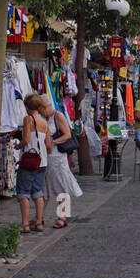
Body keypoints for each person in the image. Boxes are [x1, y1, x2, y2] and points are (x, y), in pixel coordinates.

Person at [41, 96, 82, 227]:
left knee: (61, 186)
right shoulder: (45, 118)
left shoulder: (58, 116)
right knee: (44, 186)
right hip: (47, 157)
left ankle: (62, 216)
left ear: (46, 106)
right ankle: (39, 216)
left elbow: (67, 135)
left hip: (58, 157)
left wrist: (53, 142)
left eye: (41, 109)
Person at [17, 93, 50, 232]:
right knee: (37, 191)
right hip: (42, 162)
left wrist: (18, 146)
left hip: (29, 160)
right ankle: (39, 222)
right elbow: (49, 145)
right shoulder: (44, 121)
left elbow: (25, 140)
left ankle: (25, 224)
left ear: (28, 107)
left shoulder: (28, 119)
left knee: (23, 192)